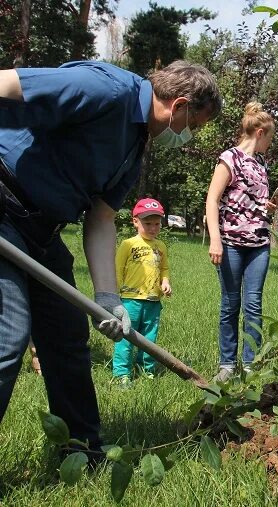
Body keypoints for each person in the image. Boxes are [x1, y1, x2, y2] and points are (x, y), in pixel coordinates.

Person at [0, 60, 221, 451]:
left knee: (67, 337)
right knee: (9, 338)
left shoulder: (134, 147)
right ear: (181, 105)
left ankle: (83, 450)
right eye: (195, 126)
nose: (189, 136)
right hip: (5, 207)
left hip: (41, 232)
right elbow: (10, 84)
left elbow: (101, 219)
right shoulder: (107, 89)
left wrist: (107, 298)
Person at [205, 102, 277, 383]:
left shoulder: (261, 164)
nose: (269, 144)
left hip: (259, 244)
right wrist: (215, 240)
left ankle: (249, 365)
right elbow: (212, 199)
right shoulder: (229, 159)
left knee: (254, 305)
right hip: (230, 243)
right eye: (269, 138)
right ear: (260, 133)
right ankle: (226, 365)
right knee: (230, 304)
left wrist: (265, 206)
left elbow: (250, 200)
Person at [113, 198, 172, 387]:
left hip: (153, 300)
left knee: (149, 338)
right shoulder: (128, 244)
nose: (153, 228)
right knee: (126, 336)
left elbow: (164, 268)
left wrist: (165, 281)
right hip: (130, 300)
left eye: (157, 224)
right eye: (148, 223)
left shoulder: (160, 246)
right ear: (135, 221)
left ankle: (146, 369)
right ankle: (122, 373)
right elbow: (118, 269)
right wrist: (115, 295)